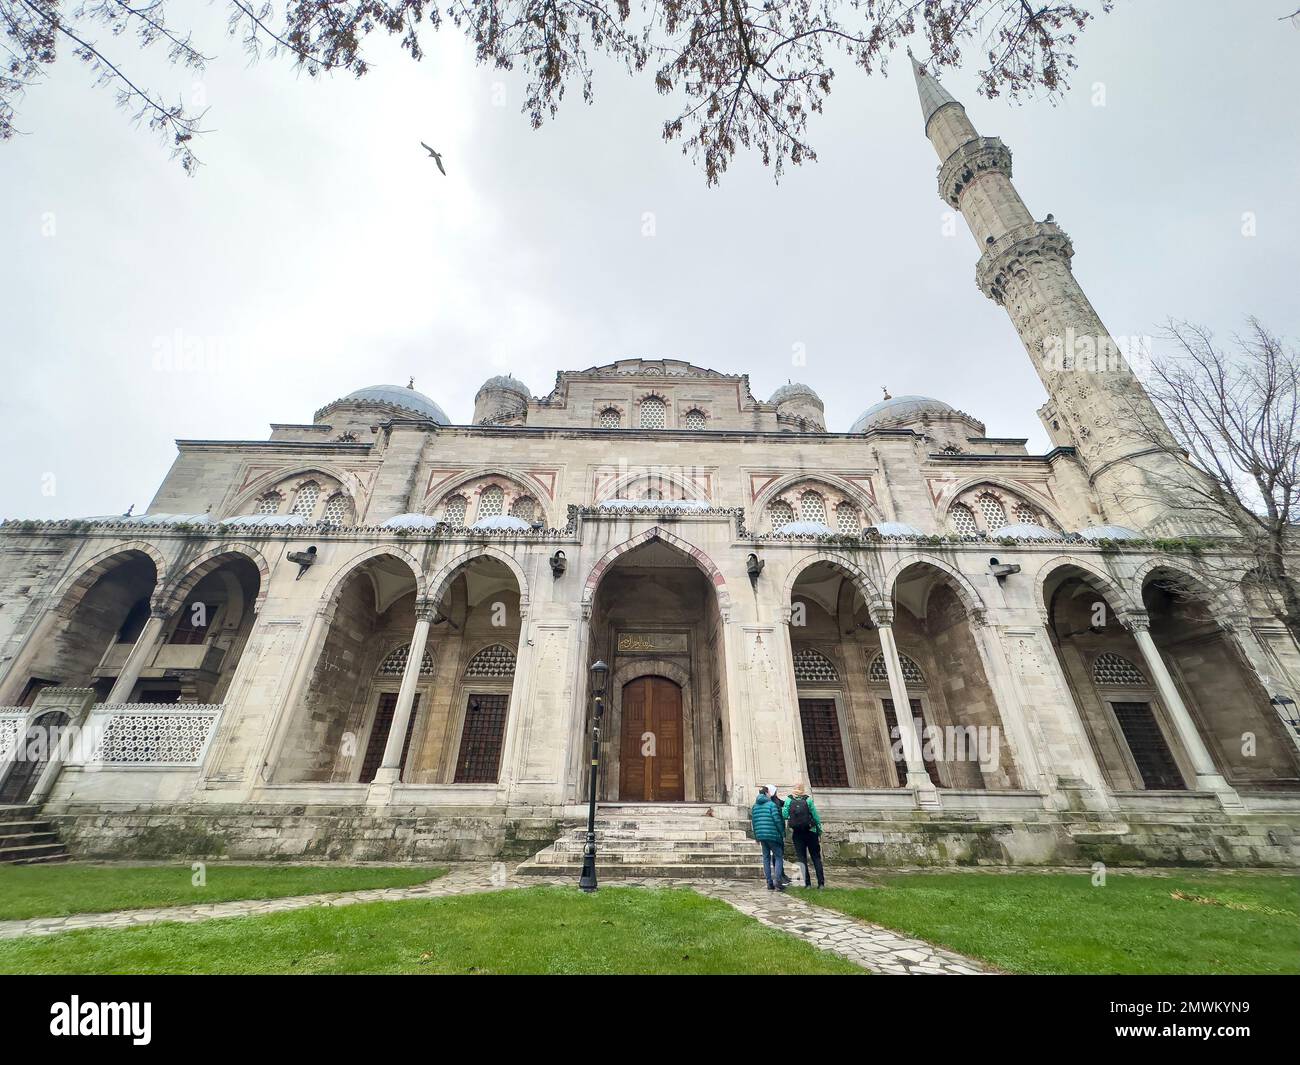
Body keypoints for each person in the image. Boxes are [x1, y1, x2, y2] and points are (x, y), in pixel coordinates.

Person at [783, 782, 825, 888]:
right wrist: (819, 829)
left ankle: (807, 884)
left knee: (802, 858)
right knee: (816, 857)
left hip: (797, 832)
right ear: (803, 790)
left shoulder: (788, 800)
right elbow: (815, 816)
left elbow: (785, 815)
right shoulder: (808, 800)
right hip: (811, 831)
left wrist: (794, 819)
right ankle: (821, 883)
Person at [749, 786, 786, 890]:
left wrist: (756, 836)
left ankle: (769, 883)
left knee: (766, 858)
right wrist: (782, 833)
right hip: (773, 835)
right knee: (778, 856)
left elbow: (754, 822)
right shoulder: (771, 805)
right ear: (766, 793)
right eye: (769, 792)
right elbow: (777, 820)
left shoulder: (755, 806)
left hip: (761, 836)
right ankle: (778, 882)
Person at [769, 784, 792, 886]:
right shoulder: (773, 802)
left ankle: (781, 874)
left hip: (774, 831)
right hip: (776, 832)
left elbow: (784, 803)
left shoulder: (774, 800)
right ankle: (779, 878)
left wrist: (790, 800)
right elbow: (777, 818)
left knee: (778, 855)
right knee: (778, 855)